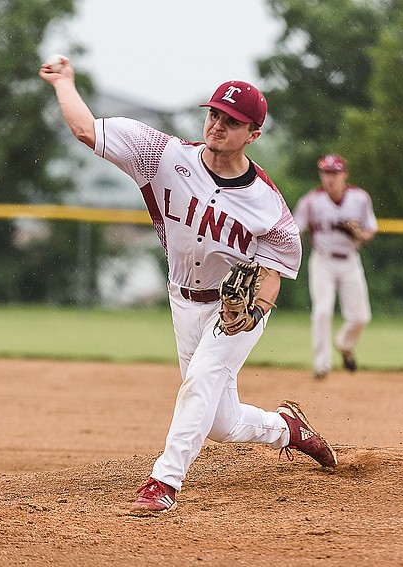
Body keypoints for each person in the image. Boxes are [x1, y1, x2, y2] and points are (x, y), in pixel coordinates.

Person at [39, 56, 338, 514]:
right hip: (183, 301)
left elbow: (274, 272)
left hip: (234, 312)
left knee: (199, 382)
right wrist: (63, 83)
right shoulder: (161, 156)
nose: (218, 124)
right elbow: (87, 130)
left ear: (253, 134)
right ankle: (287, 430)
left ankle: (163, 483)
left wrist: (254, 312)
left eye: (232, 120)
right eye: (215, 113)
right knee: (222, 423)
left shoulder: (269, 206)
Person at [293, 154, 378, 380]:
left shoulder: (360, 198)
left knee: (361, 317)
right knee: (322, 311)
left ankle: (344, 344)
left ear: (344, 174)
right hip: (323, 261)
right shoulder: (311, 201)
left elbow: (371, 228)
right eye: (325, 173)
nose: (330, 178)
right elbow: (294, 231)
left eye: (334, 173)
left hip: (350, 261)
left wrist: (361, 234)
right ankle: (321, 365)